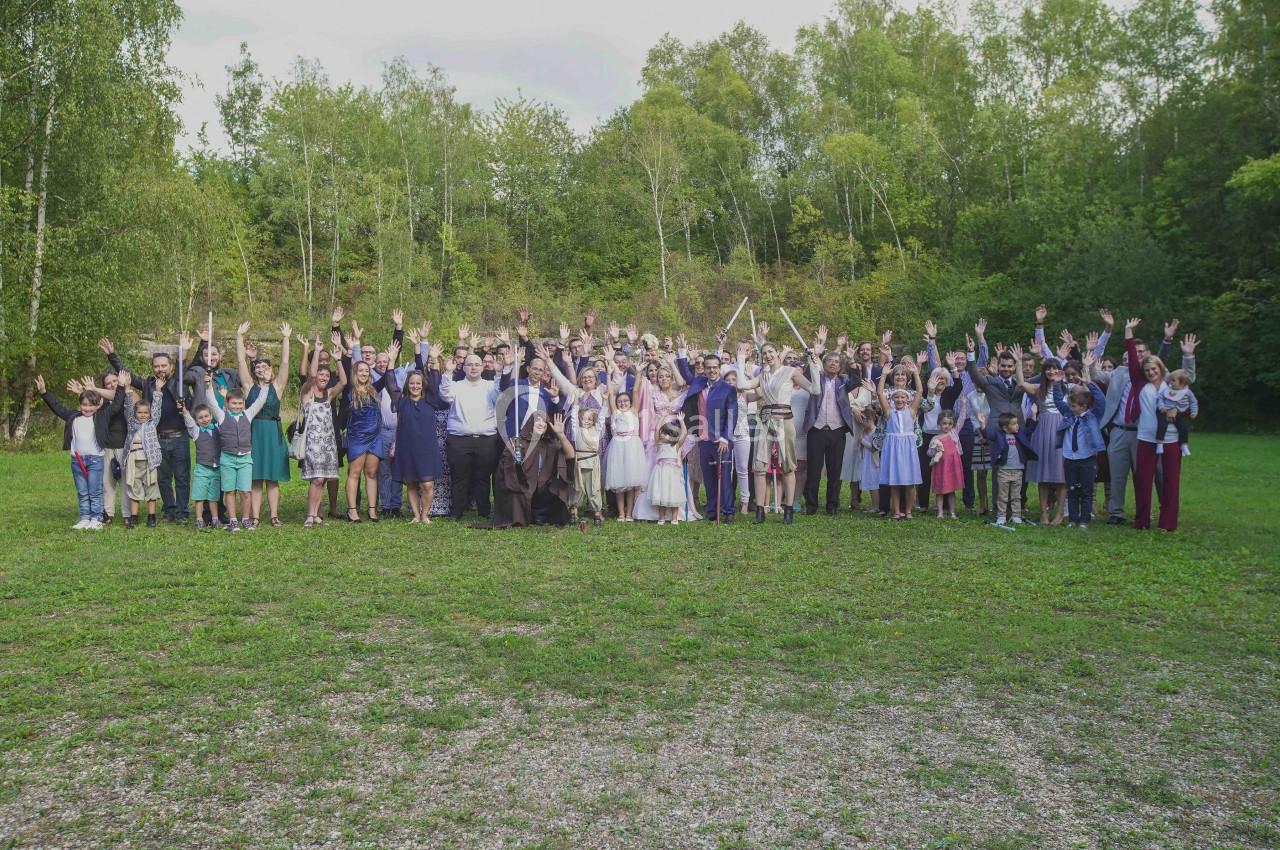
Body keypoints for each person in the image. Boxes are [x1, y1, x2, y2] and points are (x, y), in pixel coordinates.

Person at [1093, 311, 1196, 524]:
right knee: (1121, 475)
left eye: (1143, 353)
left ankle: (1162, 516)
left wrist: (1176, 346)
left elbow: (1185, 379)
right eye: (1135, 354)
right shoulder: (1125, 373)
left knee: (1159, 477)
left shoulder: (1164, 378)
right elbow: (1096, 372)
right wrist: (1122, 332)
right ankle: (1119, 514)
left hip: (1156, 435)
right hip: (1123, 431)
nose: (1139, 357)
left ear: (1150, 355)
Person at [100, 337, 191, 523]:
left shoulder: (179, 381)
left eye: (164, 366)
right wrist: (112, 355)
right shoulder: (148, 384)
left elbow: (187, 366)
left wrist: (185, 351)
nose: (160, 369)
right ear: (152, 367)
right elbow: (128, 374)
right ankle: (169, 510)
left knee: (181, 477)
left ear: (171, 366)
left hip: (179, 436)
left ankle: (181, 512)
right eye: (157, 366)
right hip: (157, 438)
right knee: (163, 478)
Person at [734, 339, 819, 524]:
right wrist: (740, 359)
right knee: (759, 467)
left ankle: (788, 509)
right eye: (764, 353)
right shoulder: (763, 376)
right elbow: (741, 385)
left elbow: (815, 389)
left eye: (771, 352)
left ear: (777, 352)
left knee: (788, 466)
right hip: (765, 422)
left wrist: (814, 364)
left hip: (785, 421)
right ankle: (760, 511)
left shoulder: (791, 372)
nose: (768, 356)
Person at [1125, 318, 1198, 531]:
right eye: (1147, 370)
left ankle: (1168, 523)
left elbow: (1188, 378)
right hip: (1146, 437)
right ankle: (1142, 521)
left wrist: (1188, 354)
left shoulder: (1170, 384)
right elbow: (1132, 360)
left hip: (1172, 438)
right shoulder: (1140, 383)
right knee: (1143, 481)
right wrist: (1128, 333)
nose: (1151, 373)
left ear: (1160, 368)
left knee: (1171, 482)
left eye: (1154, 369)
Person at [36, 373, 124, 530]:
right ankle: (85, 518)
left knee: (95, 490)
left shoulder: (102, 416)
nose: (87, 408)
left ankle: (96, 519)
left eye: (91, 405)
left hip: (95, 460)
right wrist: (44, 392)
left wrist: (122, 386)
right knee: (82, 491)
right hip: (77, 460)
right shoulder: (73, 417)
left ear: (97, 406)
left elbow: (117, 404)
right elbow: (57, 407)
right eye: (84, 405)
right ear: (79, 405)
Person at [235, 321, 293, 528]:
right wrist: (239, 336)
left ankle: (275, 515)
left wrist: (286, 338)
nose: (260, 369)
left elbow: (285, 363)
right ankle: (256, 516)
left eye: (264, 366)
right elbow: (241, 362)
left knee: (273, 478)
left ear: (270, 369)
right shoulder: (249, 386)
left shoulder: (277, 386)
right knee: (256, 477)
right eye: (257, 367)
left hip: (272, 433)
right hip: (254, 434)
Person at [676, 339, 738, 521]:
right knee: (709, 477)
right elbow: (686, 373)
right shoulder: (700, 382)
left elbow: (732, 414)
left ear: (720, 368)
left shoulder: (727, 389)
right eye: (708, 367)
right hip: (703, 439)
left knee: (724, 476)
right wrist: (681, 351)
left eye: (714, 367)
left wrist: (726, 438)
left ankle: (727, 511)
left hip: (721, 440)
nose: (711, 370)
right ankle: (712, 509)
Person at [801, 327, 859, 517]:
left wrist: (850, 360)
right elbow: (807, 372)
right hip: (816, 430)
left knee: (835, 471)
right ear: (823, 364)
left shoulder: (844, 380)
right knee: (814, 471)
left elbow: (857, 380)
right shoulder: (815, 377)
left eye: (837, 362)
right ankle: (811, 505)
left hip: (837, 431)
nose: (834, 364)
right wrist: (817, 352)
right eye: (830, 361)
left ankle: (832, 506)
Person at [341, 335, 398, 523]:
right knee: (355, 473)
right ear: (355, 373)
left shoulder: (374, 388)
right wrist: (350, 350)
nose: (364, 373)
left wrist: (391, 359)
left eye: (367, 371)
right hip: (357, 437)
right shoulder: (350, 389)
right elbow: (347, 364)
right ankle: (352, 510)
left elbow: (388, 378)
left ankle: (372, 510)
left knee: (372, 473)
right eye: (361, 371)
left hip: (375, 437)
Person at [389, 344, 448, 524]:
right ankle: (416, 515)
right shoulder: (401, 401)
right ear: (408, 385)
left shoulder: (430, 400)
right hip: (407, 448)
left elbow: (436, 380)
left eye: (418, 383)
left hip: (427, 449)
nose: (415, 386)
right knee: (412, 483)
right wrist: (391, 361)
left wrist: (435, 360)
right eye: (412, 383)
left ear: (422, 385)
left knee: (427, 484)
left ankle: (425, 515)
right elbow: (391, 384)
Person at [439, 351, 500, 521]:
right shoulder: (457, 385)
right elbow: (445, 394)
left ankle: (484, 511)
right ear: (464, 367)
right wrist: (448, 373)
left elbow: (500, 392)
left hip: (485, 439)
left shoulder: (489, 385)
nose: (474, 367)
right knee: (459, 477)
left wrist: (500, 373)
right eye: (470, 364)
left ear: (482, 367)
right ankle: (456, 511)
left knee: (483, 477)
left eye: (477, 364)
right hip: (459, 439)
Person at [492, 412, 576, 527]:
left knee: (556, 495)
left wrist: (561, 435)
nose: (541, 424)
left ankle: (538, 516)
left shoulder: (550, 443)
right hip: (521, 486)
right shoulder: (518, 442)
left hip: (542, 488)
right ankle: (524, 516)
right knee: (518, 496)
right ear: (531, 423)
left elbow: (570, 455)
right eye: (538, 420)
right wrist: (515, 458)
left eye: (544, 421)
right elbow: (507, 470)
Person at [207, 386, 271, 532]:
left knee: (245, 491)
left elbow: (260, 401)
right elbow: (211, 401)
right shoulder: (222, 416)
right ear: (227, 404)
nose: (237, 406)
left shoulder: (248, 415)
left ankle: (245, 519)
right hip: (227, 459)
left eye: (240, 403)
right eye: (234, 403)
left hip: (245, 459)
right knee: (230, 491)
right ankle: (233, 520)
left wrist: (266, 384)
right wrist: (208, 386)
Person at [299, 340, 347, 528]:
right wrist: (317, 352)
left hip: (328, 443)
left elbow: (343, 382)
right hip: (313, 443)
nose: (324, 377)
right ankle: (311, 515)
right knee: (317, 478)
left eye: (327, 375)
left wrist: (339, 361)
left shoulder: (328, 394)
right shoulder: (307, 393)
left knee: (324, 478)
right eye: (321, 374)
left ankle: (317, 514)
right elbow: (310, 376)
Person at [1054, 381, 1106, 528]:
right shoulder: (1069, 414)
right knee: (1072, 489)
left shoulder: (1093, 416)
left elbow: (1101, 401)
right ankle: (1072, 519)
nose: (1070, 408)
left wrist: (1090, 383)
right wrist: (1057, 383)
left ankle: (1084, 520)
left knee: (1086, 490)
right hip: (1070, 457)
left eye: (1074, 406)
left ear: (1083, 406)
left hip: (1087, 458)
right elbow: (1058, 401)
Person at [876, 361, 924, 520]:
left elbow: (920, 391)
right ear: (892, 399)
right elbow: (880, 393)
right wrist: (883, 375)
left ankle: (908, 511)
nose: (900, 399)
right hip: (893, 447)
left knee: (910, 482)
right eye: (896, 397)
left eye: (903, 397)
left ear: (907, 399)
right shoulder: (889, 412)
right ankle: (896, 511)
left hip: (908, 447)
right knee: (894, 481)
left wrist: (916, 373)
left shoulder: (911, 411)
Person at [120, 373, 162, 528]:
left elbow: (157, 408)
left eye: (146, 413)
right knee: (134, 486)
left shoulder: (152, 423)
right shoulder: (131, 423)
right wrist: (127, 388)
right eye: (140, 413)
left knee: (151, 486)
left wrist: (157, 391)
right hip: (133, 459)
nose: (143, 415)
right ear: (135, 414)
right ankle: (134, 516)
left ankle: (152, 516)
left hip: (149, 460)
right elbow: (129, 406)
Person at [182, 374, 224, 530]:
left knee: (214, 497)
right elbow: (188, 421)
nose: (205, 419)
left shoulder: (218, 428)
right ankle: (199, 519)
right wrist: (185, 411)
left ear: (211, 416)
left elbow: (224, 414)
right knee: (200, 496)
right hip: (202, 469)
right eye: (201, 418)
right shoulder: (197, 432)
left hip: (216, 468)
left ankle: (214, 519)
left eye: (207, 416)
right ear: (197, 420)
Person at [603, 382, 647, 522]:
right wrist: (609, 374)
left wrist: (638, 373)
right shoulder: (615, 413)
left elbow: (635, 390)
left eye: (625, 401)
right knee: (619, 482)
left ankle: (629, 513)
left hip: (632, 448)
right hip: (617, 447)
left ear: (630, 402)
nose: (623, 403)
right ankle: (621, 513)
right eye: (620, 401)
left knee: (631, 481)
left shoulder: (633, 412)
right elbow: (610, 393)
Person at [985, 412, 1036, 528]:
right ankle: (1001, 516)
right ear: (1005, 427)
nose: (1017, 425)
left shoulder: (1020, 434)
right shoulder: (999, 435)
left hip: (1018, 470)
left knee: (1016, 495)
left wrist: (1033, 416)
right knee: (1002, 495)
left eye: (1017, 423)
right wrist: (982, 424)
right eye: (1014, 424)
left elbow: (1030, 429)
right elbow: (988, 435)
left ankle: (1016, 516)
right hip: (1004, 471)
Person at [647, 414, 689, 525]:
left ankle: (674, 518)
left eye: (665, 433)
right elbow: (656, 429)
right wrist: (662, 417)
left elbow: (684, 433)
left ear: (672, 436)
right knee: (662, 494)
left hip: (673, 473)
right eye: (662, 432)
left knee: (674, 494)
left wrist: (681, 421)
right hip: (661, 472)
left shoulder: (676, 446)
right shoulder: (659, 444)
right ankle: (661, 517)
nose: (662, 434)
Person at [571, 407, 605, 526]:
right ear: (580, 419)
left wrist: (605, 402)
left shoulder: (597, 431)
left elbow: (602, 420)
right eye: (584, 418)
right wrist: (575, 402)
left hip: (592, 462)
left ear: (593, 421)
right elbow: (573, 419)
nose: (587, 421)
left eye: (590, 419)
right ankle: (574, 511)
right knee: (578, 486)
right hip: (580, 463)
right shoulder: (577, 430)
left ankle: (597, 513)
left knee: (594, 487)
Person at [927, 411, 964, 519]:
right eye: (944, 423)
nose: (947, 426)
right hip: (940, 467)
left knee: (951, 490)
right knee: (940, 491)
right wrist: (934, 449)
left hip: (952, 466)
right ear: (939, 424)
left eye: (949, 424)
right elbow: (929, 453)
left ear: (953, 425)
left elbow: (961, 419)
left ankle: (952, 512)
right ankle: (940, 512)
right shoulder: (935, 439)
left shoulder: (953, 434)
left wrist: (964, 406)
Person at [1156, 369, 1198, 456]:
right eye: (1170, 379)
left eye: (1173, 380)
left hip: (1180, 413)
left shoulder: (1188, 392)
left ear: (1182, 382)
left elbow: (1193, 402)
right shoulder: (1167, 390)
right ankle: (1159, 443)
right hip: (1165, 411)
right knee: (1161, 426)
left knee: (1183, 428)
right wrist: (1161, 407)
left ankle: (1184, 445)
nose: (1170, 382)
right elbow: (1160, 398)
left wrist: (1194, 412)